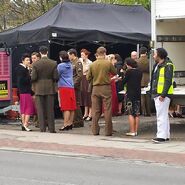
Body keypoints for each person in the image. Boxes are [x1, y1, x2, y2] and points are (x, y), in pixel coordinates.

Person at [87, 47, 117, 136]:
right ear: (104, 53)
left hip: (95, 88)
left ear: (97, 53)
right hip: (106, 88)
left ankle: (95, 130)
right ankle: (108, 131)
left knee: (95, 111)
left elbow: (88, 77)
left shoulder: (92, 64)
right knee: (107, 110)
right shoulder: (108, 63)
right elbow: (115, 72)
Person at [31, 46, 58, 133]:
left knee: (40, 110)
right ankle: (51, 128)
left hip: (38, 89)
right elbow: (56, 77)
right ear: (47, 52)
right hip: (50, 88)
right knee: (50, 109)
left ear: (40, 53)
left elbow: (33, 77)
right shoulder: (53, 63)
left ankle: (42, 128)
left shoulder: (35, 64)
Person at [151, 48, 174, 143]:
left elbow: (168, 81)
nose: (153, 56)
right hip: (159, 94)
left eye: (155, 54)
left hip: (162, 95)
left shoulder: (167, 65)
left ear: (159, 55)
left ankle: (161, 136)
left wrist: (163, 95)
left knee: (161, 116)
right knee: (164, 115)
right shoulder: (158, 65)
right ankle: (165, 135)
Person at [122, 58, 142, 136]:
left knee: (130, 113)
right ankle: (136, 131)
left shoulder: (129, 72)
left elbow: (124, 82)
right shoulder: (139, 71)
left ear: (128, 65)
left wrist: (120, 79)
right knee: (136, 113)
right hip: (138, 94)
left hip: (130, 94)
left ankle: (132, 131)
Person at [16, 53, 36, 131]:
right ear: (23, 61)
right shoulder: (22, 69)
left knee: (24, 109)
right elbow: (21, 81)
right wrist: (30, 77)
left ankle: (24, 124)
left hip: (23, 91)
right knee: (28, 108)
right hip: (25, 91)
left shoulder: (22, 68)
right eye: (27, 60)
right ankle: (25, 124)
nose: (29, 61)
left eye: (29, 60)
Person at [57, 51, 76, 131]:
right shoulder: (70, 65)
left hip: (63, 87)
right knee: (71, 107)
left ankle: (65, 124)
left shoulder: (60, 66)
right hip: (71, 87)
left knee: (66, 107)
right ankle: (70, 123)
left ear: (61, 58)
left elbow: (56, 75)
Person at [68, 48, 84, 128]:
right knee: (73, 104)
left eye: (69, 55)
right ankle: (75, 120)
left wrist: (74, 85)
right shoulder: (71, 62)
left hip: (75, 86)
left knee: (76, 104)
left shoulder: (78, 63)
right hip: (71, 85)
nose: (68, 57)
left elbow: (79, 75)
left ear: (72, 54)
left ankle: (78, 121)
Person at [137, 47, 151, 116]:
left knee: (142, 96)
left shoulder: (137, 61)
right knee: (147, 96)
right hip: (147, 79)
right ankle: (148, 112)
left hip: (140, 79)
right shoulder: (149, 61)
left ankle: (144, 112)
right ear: (146, 52)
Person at [79, 48, 92, 121]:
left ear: (86, 55)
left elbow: (86, 71)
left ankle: (90, 114)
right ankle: (85, 113)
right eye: (81, 55)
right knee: (83, 96)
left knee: (88, 96)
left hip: (87, 79)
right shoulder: (80, 61)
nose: (82, 56)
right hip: (81, 79)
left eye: (83, 55)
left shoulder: (90, 62)